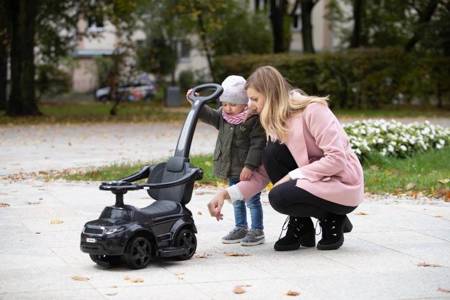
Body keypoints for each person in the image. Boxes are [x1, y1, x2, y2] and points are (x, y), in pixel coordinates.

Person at [207, 66, 364, 251]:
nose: (249, 105)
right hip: (315, 180)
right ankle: (301, 224)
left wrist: (293, 175)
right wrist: (225, 194)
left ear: (271, 95)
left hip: (342, 182)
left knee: (279, 196)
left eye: (255, 99)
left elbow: (337, 159)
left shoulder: (313, 110)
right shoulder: (274, 121)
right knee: (271, 154)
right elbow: (261, 175)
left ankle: (333, 218)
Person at [188, 75, 267, 246]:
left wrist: (250, 166)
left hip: (247, 169)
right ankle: (241, 227)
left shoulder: (254, 120)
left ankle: (257, 230)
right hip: (232, 167)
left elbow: (257, 145)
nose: (228, 108)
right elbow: (208, 115)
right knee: (236, 199)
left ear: (245, 103)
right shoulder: (223, 117)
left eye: (233, 104)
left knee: (252, 200)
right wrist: (196, 102)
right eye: (224, 104)